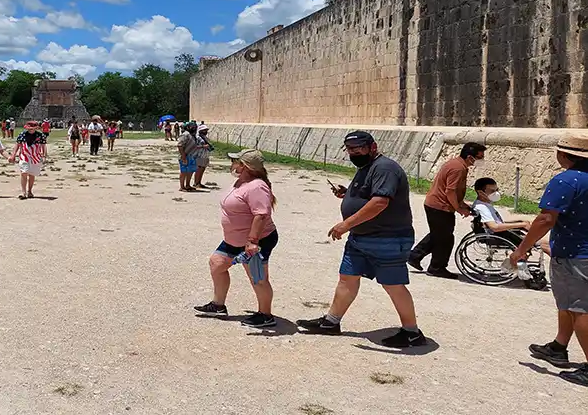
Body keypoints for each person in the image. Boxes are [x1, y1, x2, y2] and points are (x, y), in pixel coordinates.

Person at [296, 131, 426, 348]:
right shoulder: (366, 167)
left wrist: (345, 225)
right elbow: (369, 194)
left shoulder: (384, 168)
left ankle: (412, 332)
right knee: (347, 278)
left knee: (393, 285)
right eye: (350, 150)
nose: (354, 153)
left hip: (387, 238)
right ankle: (331, 322)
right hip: (361, 238)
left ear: (372, 147)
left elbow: (380, 202)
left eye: (359, 149)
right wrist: (348, 194)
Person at [512, 133, 588, 386]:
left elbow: (545, 219)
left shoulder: (566, 181)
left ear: (564, 155)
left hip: (575, 255)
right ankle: (559, 346)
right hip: (578, 252)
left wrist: (522, 249)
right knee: (567, 303)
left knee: (580, 309)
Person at [195, 150, 280, 327]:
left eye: (235, 161)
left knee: (258, 278)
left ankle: (266, 315)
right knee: (217, 264)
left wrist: (252, 241)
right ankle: (218, 305)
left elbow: (261, 215)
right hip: (235, 239)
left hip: (255, 240)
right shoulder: (243, 182)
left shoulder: (256, 186)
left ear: (245, 165)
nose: (232, 164)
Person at [409, 142, 487, 279]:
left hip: (436, 204)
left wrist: (463, 205)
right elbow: (450, 191)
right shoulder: (458, 169)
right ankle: (436, 267)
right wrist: (458, 209)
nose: (481, 160)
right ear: (470, 157)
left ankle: (415, 256)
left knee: (438, 235)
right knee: (445, 239)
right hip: (440, 207)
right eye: (479, 157)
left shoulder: (457, 164)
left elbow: (454, 191)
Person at [470, 178, 533, 245]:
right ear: (480, 192)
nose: (496, 193)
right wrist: (522, 224)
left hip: (502, 233)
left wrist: (521, 222)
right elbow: (494, 227)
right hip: (499, 235)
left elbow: (497, 222)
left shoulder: (485, 204)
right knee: (542, 243)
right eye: (492, 191)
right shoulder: (482, 207)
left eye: (496, 190)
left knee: (527, 225)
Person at [11, 121, 48, 199]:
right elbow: (17, 145)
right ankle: (23, 192)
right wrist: (13, 155)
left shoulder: (40, 135)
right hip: (24, 156)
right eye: (29, 128)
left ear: (36, 128)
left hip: (35, 157)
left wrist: (44, 156)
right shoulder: (22, 134)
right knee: (24, 173)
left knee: (32, 174)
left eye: (32, 128)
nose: (31, 130)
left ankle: (30, 191)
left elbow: (44, 146)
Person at [177, 122, 199, 192]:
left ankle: (188, 185)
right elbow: (180, 146)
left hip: (192, 156)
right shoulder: (185, 135)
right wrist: (183, 157)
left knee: (190, 171)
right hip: (185, 156)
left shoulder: (192, 135)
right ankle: (182, 187)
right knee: (184, 172)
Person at [193, 125, 213, 189]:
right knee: (199, 169)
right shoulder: (198, 138)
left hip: (205, 155)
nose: (206, 131)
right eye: (204, 130)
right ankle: (196, 183)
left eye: (206, 130)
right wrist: (203, 146)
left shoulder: (205, 137)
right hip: (199, 155)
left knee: (202, 169)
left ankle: (199, 182)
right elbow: (194, 146)